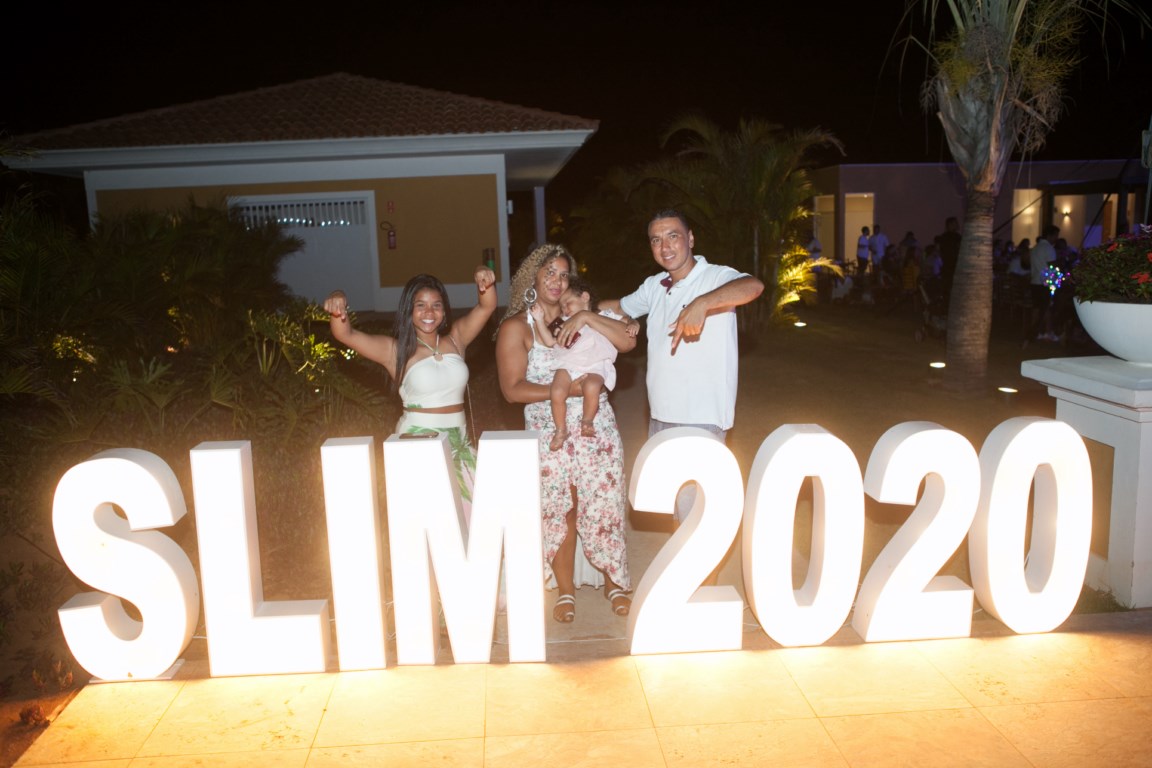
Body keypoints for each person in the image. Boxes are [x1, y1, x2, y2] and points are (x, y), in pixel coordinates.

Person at [495, 244, 634, 622]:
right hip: (548, 426)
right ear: (533, 278)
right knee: (560, 509)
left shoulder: (584, 313)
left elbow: (626, 340)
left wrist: (589, 315)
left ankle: (615, 582)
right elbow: (512, 389)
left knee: (605, 503)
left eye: (563, 274)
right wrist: (567, 391)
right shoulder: (516, 327)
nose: (557, 281)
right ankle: (565, 590)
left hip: (595, 424)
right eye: (549, 273)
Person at [602, 209, 764, 523]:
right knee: (677, 510)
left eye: (673, 236)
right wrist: (576, 307)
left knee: (697, 518)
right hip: (660, 416)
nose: (665, 247)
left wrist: (702, 303)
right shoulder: (655, 285)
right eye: (656, 240)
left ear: (690, 239)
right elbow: (619, 307)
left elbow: (753, 286)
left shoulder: (714, 276)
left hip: (701, 418)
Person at [324, 266, 496, 518]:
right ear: (409, 311)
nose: (429, 312)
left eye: (436, 305)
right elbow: (345, 334)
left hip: (459, 444)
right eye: (421, 305)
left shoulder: (456, 339)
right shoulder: (395, 351)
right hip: (418, 443)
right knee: (428, 521)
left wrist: (484, 278)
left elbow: (487, 306)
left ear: (444, 312)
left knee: (473, 520)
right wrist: (338, 301)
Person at [531, 275, 620, 451]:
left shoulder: (603, 316)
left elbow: (623, 323)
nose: (564, 309)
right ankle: (560, 429)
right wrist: (539, 320)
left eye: (568, 303)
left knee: (592, 386)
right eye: (562, 306)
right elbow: (549, 341)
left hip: (595, 364)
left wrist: (633, 323)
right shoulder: (565, 323)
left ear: (584, 297)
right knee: (556, 390)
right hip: (568, 363)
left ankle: (587, 421)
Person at [1027, 224, 1060, 344]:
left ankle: (1036, 332)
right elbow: (1052, 267)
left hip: (1035, 281)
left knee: (1036, 308)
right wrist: (1057, 280)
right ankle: (1048, 332)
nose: (1057, 238)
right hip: (1046, 283)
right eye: (1056, 236)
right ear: (1050, 235)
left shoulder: (1035, 248)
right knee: (1047, 308)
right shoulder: (1049, 248)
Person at [937, 216, 962, 302]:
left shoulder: (943, 237)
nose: (957, 225)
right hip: (953, 267)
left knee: (948, 290)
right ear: (950, 225)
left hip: (947, 267)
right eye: (955, 223)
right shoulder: (956, 237)